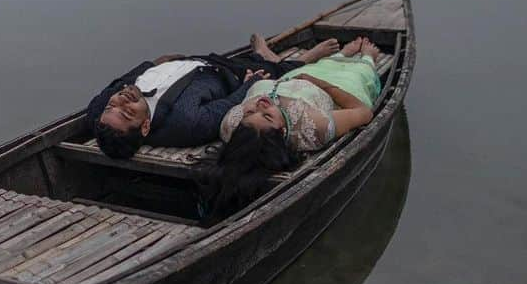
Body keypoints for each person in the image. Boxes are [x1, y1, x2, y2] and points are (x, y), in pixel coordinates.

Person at [201, 37, 384, 220]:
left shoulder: (231, 124)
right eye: (267, 116)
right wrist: (319, 83)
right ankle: (367, 58)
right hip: (335, 88)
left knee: (311, 68)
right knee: (356, 74)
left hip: (294, 77)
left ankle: (340, 55)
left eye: (249, 114)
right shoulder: (314, 126)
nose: (260, 104)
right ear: (281, 131)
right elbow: (363, 112)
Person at [85, 33, 341, 159]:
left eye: (113, 106)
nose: (122, 99)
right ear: (145, 126)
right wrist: (250, 84)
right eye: (128, 112)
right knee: (266, 71)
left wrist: (151, 64)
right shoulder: (186, 123)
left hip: (188, 62)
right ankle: (303, 59)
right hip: (218, 74)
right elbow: (228, 105)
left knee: (249, 60)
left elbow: (117, 85)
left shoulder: (98, 113)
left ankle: (263, 54)